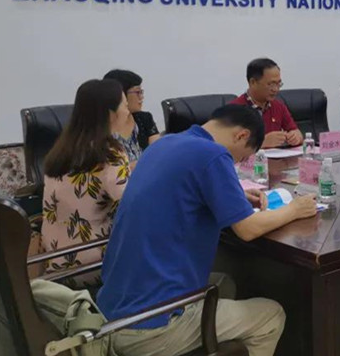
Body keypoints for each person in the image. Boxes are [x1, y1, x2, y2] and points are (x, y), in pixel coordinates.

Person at [98, 105, 318, 356]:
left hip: (111, 312)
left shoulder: (164, 144)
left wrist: (233, 196)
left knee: (225, 283)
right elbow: (247, 229)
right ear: (241, 135)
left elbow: (181, 190)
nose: (237, 163)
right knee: (271, 316)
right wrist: (295, 209)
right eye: (241, 158)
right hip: (151, 327)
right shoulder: (213, 154)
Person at [41, 79, 132, 287]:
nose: (128, 112)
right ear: (110, 113)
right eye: (124, 105)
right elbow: (132, 206)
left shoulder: (60, 150)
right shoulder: (110, 154)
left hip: (55, 263)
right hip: (95, 265)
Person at [230, 57, 303, 148]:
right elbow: (228, 147)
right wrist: (262, 142)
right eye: (271, 84)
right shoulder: (234, 110)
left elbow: (296, 132)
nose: (275, 89)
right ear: (253, 82)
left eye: (278, 84)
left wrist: (296, 137)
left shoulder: (278, 106)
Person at [104, 69, 161, 164]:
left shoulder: (144, 118)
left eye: (141, 92)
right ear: (120, 94)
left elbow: (158, 152)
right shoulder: (101, 128)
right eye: (137, 92)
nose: (141, 97)